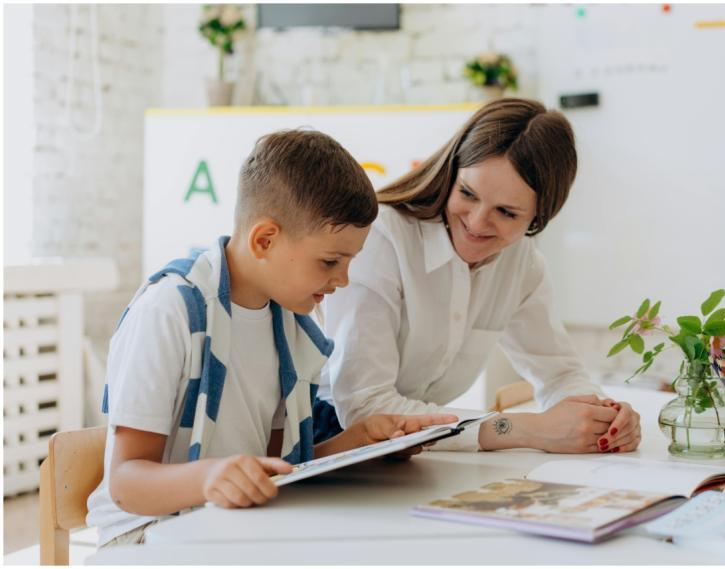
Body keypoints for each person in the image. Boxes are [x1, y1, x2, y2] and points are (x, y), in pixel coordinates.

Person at [86, 130, 456, 548]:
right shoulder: (169, 310)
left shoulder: (288, 322)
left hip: (230, 526)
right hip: (145, 537)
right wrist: (208, 477)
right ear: (265, 240)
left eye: (350, 261)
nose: (343, 279)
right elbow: (125, 483)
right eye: (330, 261)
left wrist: (359, 443)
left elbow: (276, 469)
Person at [320, 98, 641, 454]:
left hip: (417, 452)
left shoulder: (522, 264)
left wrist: (602, 418)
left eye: (505, 212)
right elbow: (364, 408)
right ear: (451, 174)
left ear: (538, 218)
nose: (475, 222)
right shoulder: (382, 238)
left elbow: (560, 374)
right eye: (467, 194)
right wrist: (524, 428)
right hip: (333, 440)